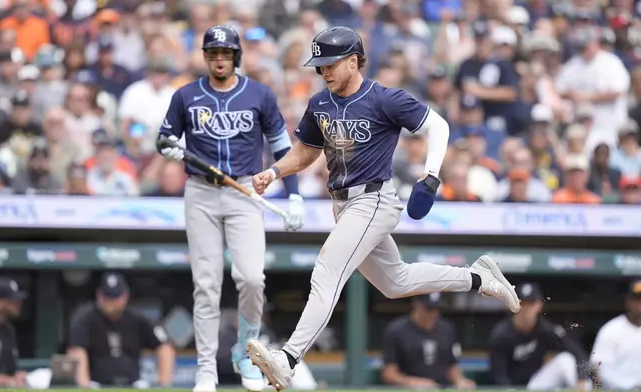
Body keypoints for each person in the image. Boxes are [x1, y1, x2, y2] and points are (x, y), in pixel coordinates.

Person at [246, 26, 521, 391]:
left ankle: (288, 358)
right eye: (319, 66)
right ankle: (479, 277)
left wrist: (432, 175)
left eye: (330, 64)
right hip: (342, 204)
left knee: (327, 272)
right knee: (396, 282)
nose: (324, 71)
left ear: (353, 60)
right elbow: (307, 151)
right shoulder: (320, 103)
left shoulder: (384, 98)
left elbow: (437, 125)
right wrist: (274, 171)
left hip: (373, 199)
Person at [156, 24, 304, 392]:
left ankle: (245, 353)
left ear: (236, 56)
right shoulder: (186, 96)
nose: (219, 60)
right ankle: (206, 370)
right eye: (213, 53)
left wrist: (295, 194)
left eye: (226, 53)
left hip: (244, 192)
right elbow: (164, 138)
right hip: (201, 192)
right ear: (205, 57)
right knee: (206, 285)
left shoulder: (260, 95)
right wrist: (170, 147)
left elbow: (283, 148)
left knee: (252, 279)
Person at [67, 272, 175, 389]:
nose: (110, 303)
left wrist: (163, 384)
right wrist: (84, 386)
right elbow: (76, 350)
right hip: (96, 384)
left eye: (115, 298)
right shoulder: (85, 318)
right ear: (99, 294)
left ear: (125, 296)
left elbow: (165, 345)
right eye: (107, 297)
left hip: (134, 384)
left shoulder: (138, 318)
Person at [489, 282, 593, 390]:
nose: (526, 308)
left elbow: (577, 352)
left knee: (564, 360)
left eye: (531, 303)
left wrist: (582, 378)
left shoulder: (546, 329)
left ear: (539, 305)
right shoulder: (502, 333)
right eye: (522, 303)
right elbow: (498, 374)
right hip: (514, 388)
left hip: (538, 384)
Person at [381, 293, 476, 389]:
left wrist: (460, 380)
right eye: (429, 309)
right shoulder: (397, 330)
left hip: (441, 388)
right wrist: (411, 382)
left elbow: (451, 365)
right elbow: (389, 373)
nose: (433, 314)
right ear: (417, 305)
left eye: (437, 309)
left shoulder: (446, 329)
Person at [590, 280, 641, 389]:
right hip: (619, 387)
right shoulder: (611, 329)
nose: (639, 304)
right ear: (627, 301)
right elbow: (598, 369)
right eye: (635, 299)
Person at [0, 277, 27, 388]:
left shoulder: (8, 332)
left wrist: (17, 376)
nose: (18, 303)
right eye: (12, 301)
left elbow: (9, 369)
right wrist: (6, 381)